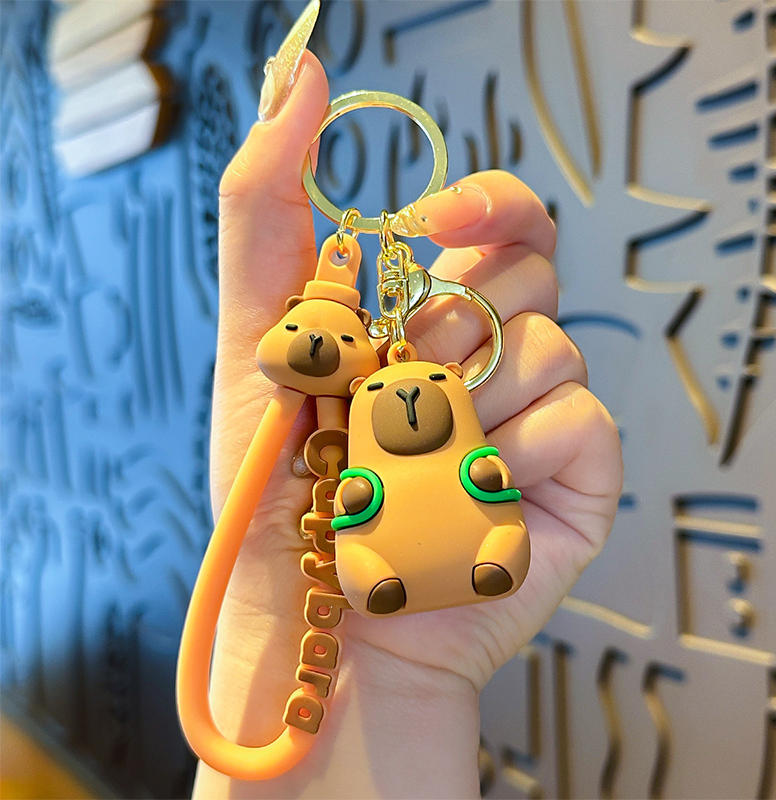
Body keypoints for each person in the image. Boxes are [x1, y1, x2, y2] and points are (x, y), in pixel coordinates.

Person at [191, 10, 623, 797]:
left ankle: (461, 570)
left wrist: (407, 683)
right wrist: (286, 595)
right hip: (362, 584)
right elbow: (366, 492)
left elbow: (440, 479)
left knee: (455, 527)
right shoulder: (348, 429)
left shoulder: (402, 411)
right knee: (378, 545)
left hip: (410, 600)